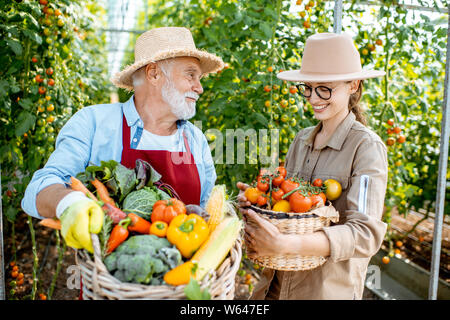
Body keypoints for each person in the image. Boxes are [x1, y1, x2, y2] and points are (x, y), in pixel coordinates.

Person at [21, 27, 224, 254]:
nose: (200, 87)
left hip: (187, 281)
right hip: (111, 283)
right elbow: (39, 188)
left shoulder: (195, 139)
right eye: (191, 75)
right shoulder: (93, 123)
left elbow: (206, 210)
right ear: (154, 73)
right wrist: (70, 202)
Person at [237, 32, 388, 300]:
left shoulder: (366, 148)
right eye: (308, 87)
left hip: (322, 291)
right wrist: (259, 200)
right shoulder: (301, 140)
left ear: (353, 84)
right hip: (274, 286)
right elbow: (291, 205)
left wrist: (288, 244)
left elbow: (364, 234)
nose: (313, 98)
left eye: (325, 88)